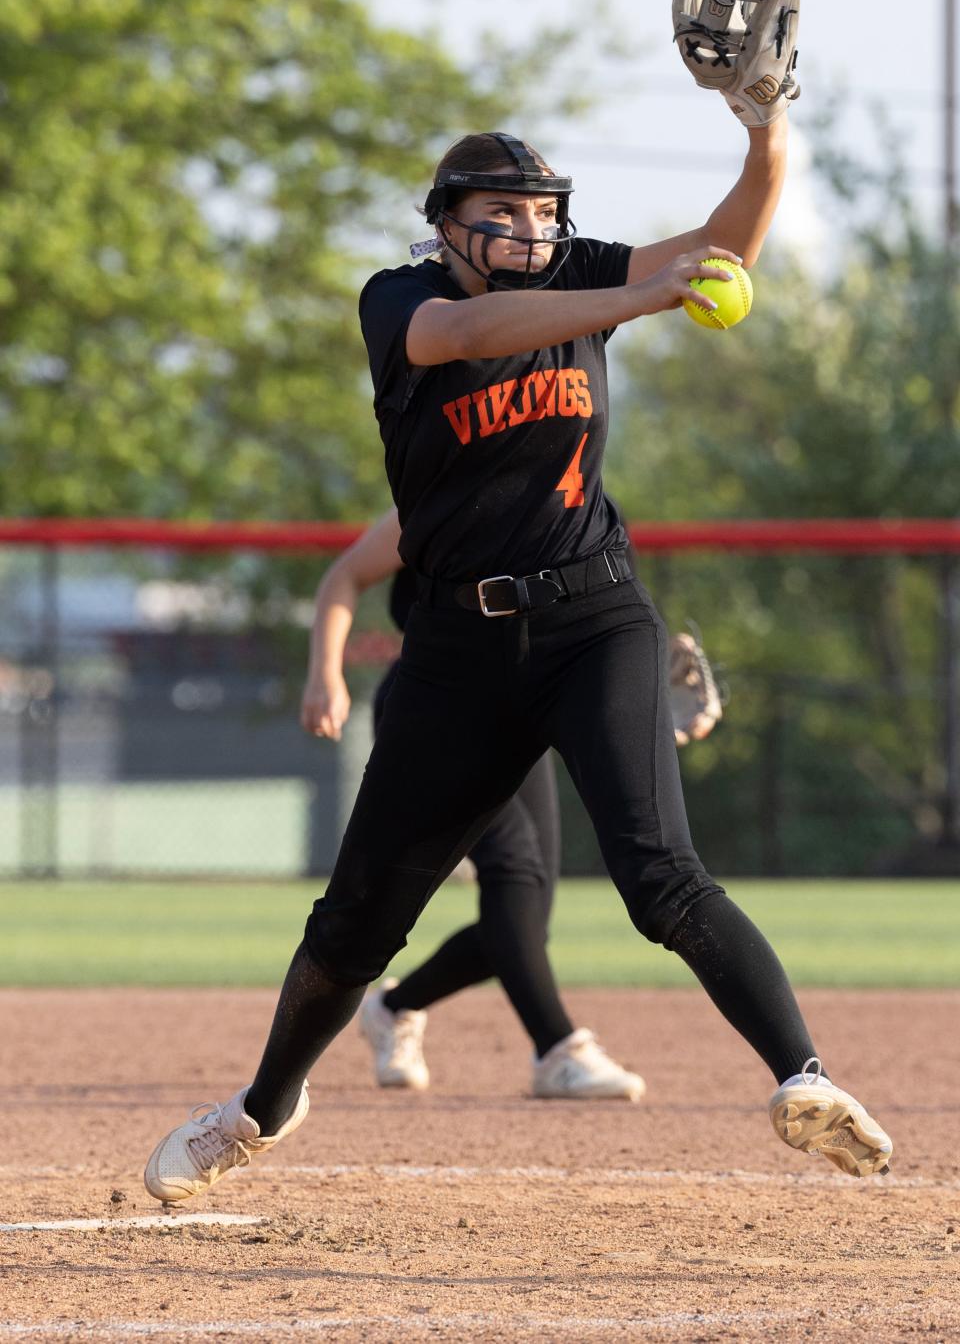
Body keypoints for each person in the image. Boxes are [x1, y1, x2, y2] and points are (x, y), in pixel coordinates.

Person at [144, 115, 893, 1203]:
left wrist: (766, 137)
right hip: (457, 650)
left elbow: (720, 246)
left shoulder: (576, 274)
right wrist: (642, 297)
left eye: (544, 212)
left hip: (595, 617)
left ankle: (805, 1076)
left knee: (661, 876)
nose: (528, 230)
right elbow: (468, 337)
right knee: (355, 922)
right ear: (443, 226)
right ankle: (262, 1106)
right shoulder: (399, 299)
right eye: (499, 213)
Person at [300, 507, 717, 1100]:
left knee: (524, 918)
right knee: (513, 870)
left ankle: (394, 1007)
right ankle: (557, 1049)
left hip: (525, 704)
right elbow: (343, 576)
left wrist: (633, 717)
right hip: (438, 703)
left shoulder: (574, 511)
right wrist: (325, 673)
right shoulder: (442, 497)